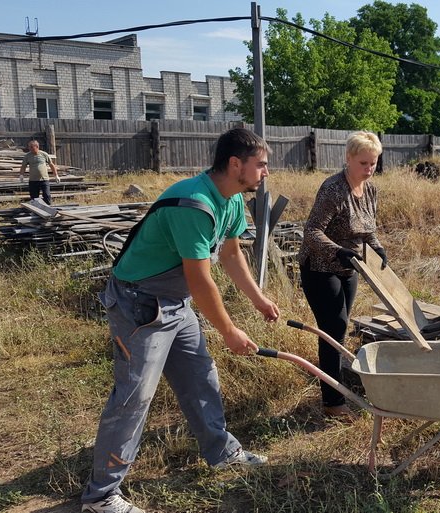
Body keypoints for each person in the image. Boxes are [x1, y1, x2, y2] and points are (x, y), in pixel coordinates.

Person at [81, 128, 280, 513]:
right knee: (135, 395)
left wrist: (259, 299)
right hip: (140, 303)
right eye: (261, 164)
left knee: (200, 376)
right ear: (235, 164)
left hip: (175, 302)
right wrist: (229, 331)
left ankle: (222, 452)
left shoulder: (231, 200)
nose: (266, 172)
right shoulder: (194, 204)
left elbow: (231, 255)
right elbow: (201, 282)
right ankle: (101, 496)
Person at [298, 130, 386, 419]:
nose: (369, 169)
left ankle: (337, 382)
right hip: (320, 267)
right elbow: (312, 231)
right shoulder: (333, 189)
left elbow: (368, 230)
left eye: (373, 163)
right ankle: (333, 402)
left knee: (341, 327)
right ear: (348, 158)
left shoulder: (370, 190)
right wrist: (338, 251)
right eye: (363, 163)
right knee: (332, 329)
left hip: (350, 267)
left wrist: (377, 247)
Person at [19, 140, 60, 204]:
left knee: (47, 196)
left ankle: (48, 207)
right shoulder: (27, 156)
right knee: (34, 198)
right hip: (33, 180)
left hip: (44, 179)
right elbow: (23, 166)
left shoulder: (44, 154)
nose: (29, 148)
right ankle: (36, 209)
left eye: (31, 147)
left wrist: (56, 175)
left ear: (37, 147)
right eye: (29, 147)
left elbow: (51, 165)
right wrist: (21, 175)